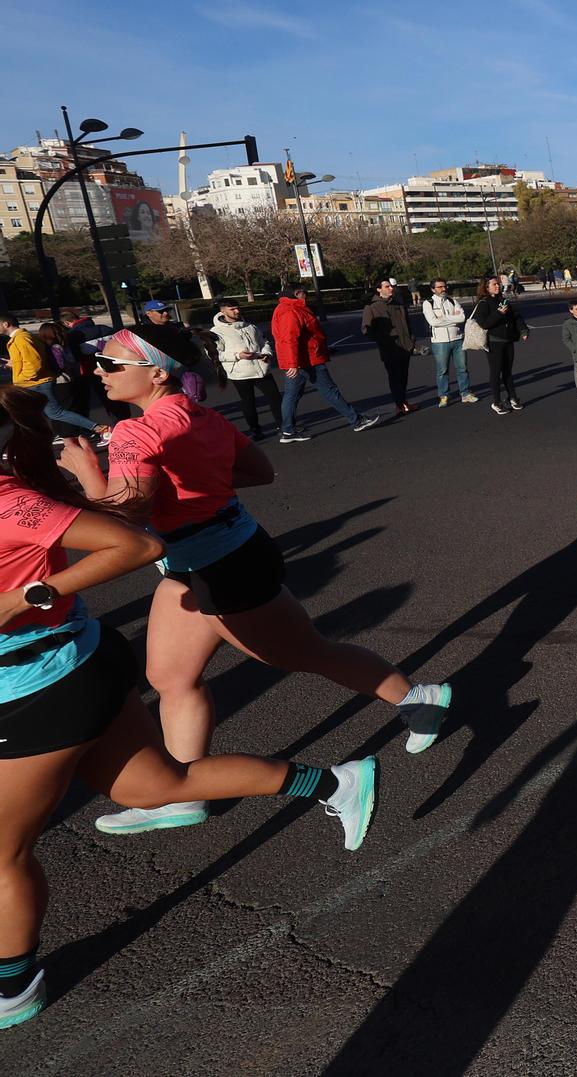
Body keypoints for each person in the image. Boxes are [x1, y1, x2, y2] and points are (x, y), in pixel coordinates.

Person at [0, 386, 378, 1031]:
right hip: (76, 663)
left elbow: (134, 546)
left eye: (115, 363)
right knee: (159, 785)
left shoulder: (9, 501)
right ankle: (334, 781)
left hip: (41, 687)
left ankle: (13, 984)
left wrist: (27, 597)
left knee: (2, 856)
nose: (103, 369)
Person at [62, 324, 445, 838]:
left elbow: (124, 521)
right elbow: (258, 470)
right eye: (99, 364)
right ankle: (182, 796)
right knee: (172, 678)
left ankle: (417, 699)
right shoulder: (198, 414)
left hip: (222, 567)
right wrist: (191, 488)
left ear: (156, 374)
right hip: (215, 556)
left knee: (304, 653)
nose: (98, 373)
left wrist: (88, 471)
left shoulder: (137, 432)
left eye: (111, 365)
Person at [270, 284, 379, 442]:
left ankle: (288, 430)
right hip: (307, 359)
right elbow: (289, 339)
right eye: (302, 293)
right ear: (294, 294)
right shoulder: (291, 310)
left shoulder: (287, 308)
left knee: (292, 395)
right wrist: (292, 363)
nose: (305, 295)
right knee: (329, 391)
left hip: (302, 359)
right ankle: (356, 420)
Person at [0, 313, 103, 439]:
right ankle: (27, 445)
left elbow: (34, 364)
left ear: (6, 324)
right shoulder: (25, 337)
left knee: (44, 414)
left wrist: (22, 379)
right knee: (32, 415)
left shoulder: (21, 339)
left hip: (34, 383)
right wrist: (13, 364)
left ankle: (97, 427)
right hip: (35, 382)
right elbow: (28, 360)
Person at [209, 299, 282, 441]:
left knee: (275, 398)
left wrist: (267, 353)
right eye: (232, 309)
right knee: (248, 402)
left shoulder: (250, 326)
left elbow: (263, 342)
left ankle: (284, 426)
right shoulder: (216, 332)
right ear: (222, 311)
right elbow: (215, 355)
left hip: (261, 369)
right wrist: (238, 355)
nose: (237, 311)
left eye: (237, 308)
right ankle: (255, 430)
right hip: (240, 373)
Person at [471, 276, 527, 414]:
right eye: (494, 284)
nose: (498, 286)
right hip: (494, 342)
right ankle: (496, 402)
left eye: (498, 284)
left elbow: (516, 316)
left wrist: (523, 330)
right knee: (496, 372)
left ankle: (512, 397)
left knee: (508, 371)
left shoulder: (503, 300)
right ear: (486, 287)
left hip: (508, 341)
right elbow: (484, 323)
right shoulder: (483, 303)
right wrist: (498, 313)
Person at [361, 279, 415, 417]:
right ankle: (399, 405)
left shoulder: (398, 303)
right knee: (395, 378)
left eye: (391, 286)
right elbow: (366, 329)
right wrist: (384, 339)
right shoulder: (372, 307)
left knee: (404, 377)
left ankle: (403, 402)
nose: (391, 288)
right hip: (390, 349)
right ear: (379, 289)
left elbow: (407, 324)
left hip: (405, 346)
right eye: (387, 286)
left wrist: (411, 340)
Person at [421, 279, 477, 407]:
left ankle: (465, 393)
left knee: (462, 368)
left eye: (444, 286)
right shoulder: (428, 303)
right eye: (440, 287)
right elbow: (433, 322)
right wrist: (453, 318)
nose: (443, 289)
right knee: (442, 371)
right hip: (440, 342)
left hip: (458, 339)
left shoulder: (452, 301)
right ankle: (444, 395)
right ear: (432, 289)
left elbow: (462, 318)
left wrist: (444, 318)